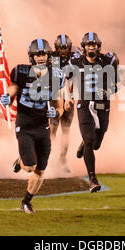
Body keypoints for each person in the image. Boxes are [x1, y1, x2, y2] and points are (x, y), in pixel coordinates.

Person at [0, 39, 64, 213]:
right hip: (25, 124)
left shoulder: (56, 76)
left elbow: (60, 105)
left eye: (43, 54)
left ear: (49, 56)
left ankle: (26, 202)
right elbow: (13, 88)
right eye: (38, 54)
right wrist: (7, 97)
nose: (41, 57)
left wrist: (56, 113)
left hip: (43, 126)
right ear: (32, 57)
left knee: (41, 170)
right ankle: (21, 161)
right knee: (29, 166)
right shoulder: (21, 72)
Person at [66, 32, 119, 193]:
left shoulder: (108, 61)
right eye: (89, 45)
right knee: (90, 139)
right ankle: (92, 179)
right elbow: (65, 82)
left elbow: (116, 85)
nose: (91, 48)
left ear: (98, 47)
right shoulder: (75, 62)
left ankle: (84, 143)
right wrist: (68, 98)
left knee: (96, 143)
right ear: (83, 47)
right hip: (84, 103)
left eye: (94, 45)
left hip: (103, 103)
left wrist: (108, 91)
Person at [49, 34, 75, 173]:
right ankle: (49, 157)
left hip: (70, 97)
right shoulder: (50, 58)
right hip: (54, 97)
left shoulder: (75, 57)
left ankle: (63, 159)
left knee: (66, 130)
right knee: (52, 129)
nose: (63, 50)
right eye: (60, 48)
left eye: (65, 48)